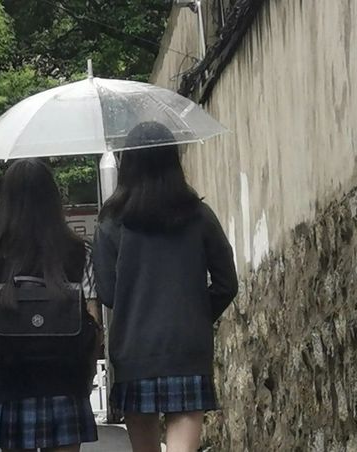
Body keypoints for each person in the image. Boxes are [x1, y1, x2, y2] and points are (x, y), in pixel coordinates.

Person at [93, 122, 238, 452]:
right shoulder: (199, 215)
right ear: (174, 161)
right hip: (187, 350)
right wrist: (198, 314)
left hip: (134, 352)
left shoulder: (111, 221)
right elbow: (227, 282)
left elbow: (108, 294)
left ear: (127, 164)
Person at [0, 158, 101, 452]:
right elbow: (92, 321)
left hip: (12, 385)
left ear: (6, 201)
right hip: (66, 382)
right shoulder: (79, 251)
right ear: (53, 200)